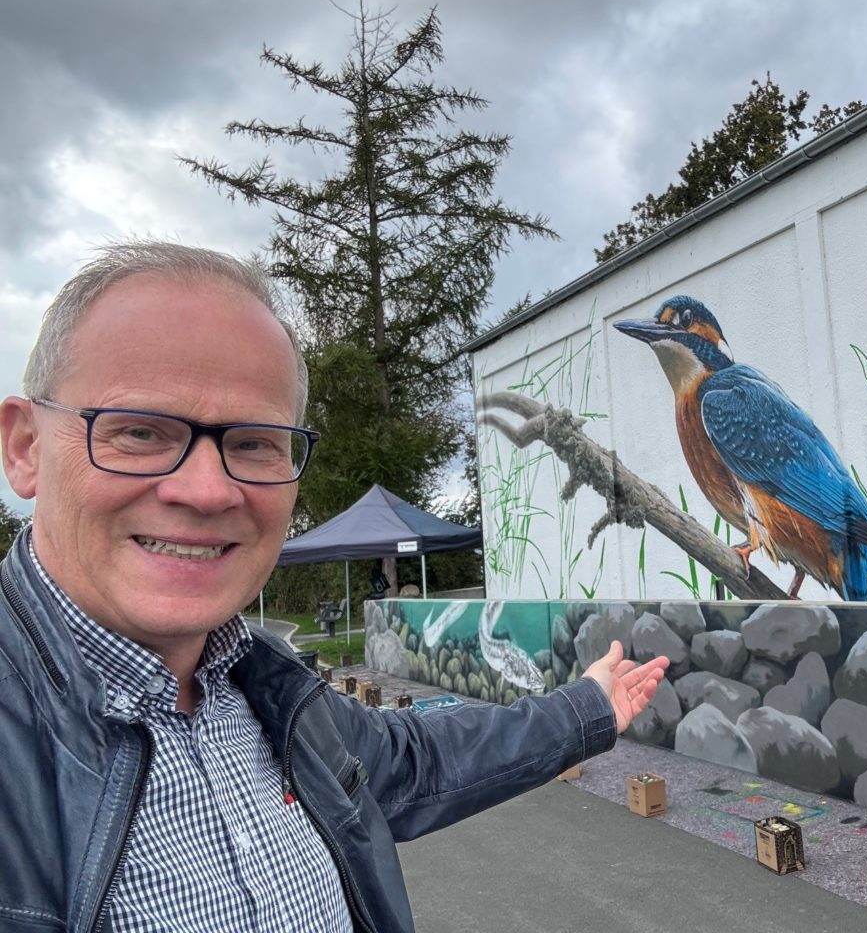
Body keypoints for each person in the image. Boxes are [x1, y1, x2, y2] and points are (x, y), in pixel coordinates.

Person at [0, 241, 670, 932]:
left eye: (254, 443)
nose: (206, 490)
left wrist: (588, 707)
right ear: (24, 448)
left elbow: (416, 763)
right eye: (139, 431)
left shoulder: (263, 683)